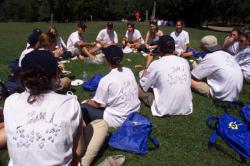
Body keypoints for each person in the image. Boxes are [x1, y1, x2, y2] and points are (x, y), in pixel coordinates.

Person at [3, 51, 108, 166]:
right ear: (56, 75)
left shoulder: (10, 102)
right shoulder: (70, 104)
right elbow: (78, 152)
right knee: (100, 125)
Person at [81, 45, 140, 128]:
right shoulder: (128, 71)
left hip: (119, 119)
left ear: (107, 60)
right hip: (135, 112)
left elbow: (97, 104)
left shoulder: (106, 80)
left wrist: (87, 101)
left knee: (82, 107)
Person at [139, 35, 193, 117]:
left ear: (159, 49)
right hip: (186, 107)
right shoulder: (185, 62)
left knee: (138, 87)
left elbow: (142, 85)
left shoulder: (156, 64)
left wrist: (148, 63)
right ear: (174, 49)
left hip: (164, 108)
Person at [191, 35, 243, 101]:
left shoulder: (210, 57)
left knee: (188, 80)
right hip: (235, 94)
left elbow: (194, 76)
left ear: (204, 48)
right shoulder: (227, 54)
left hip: (222, 94)